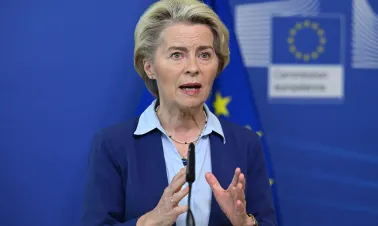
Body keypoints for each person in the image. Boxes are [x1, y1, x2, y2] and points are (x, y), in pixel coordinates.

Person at [81, 0, 278, 225]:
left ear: (218, 64)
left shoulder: (246, 143)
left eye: (204, 55)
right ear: (150, 67)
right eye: (177, 55)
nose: (193, 67)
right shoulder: (112, 145)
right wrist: (148, 222)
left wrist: (245, 223)